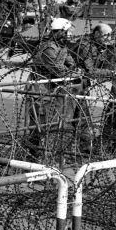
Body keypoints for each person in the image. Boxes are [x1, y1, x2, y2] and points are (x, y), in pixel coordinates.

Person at [25, 17, 81, 158]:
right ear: (60, 32)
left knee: (51, 124)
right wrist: (73, 73)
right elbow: (57, 70)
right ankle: (32, 156)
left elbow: (71, 64)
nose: (69, 34)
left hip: (51, 89)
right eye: (67, 31)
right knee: (39, 125)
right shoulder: (48, 48)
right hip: (39, 91)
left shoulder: (61, 48)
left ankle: (42, 154)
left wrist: (74, 71)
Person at [71, 23, 116, 153]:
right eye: (106, 35)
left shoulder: (95, 46)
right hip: (73, 86)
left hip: (80, 85)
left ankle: (83, 146)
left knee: (82, 116)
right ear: (96, 34)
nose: (108, 38)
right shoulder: (85, 46)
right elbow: (90, 70)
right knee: (72, 117)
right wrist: (111, 73)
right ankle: (65, 149)